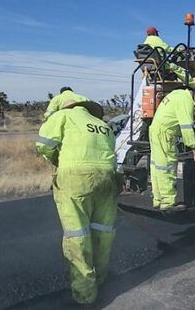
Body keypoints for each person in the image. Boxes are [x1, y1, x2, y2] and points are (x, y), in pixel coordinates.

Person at [35, 99, 118, 305]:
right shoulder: (103, 125)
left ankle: (85, 293)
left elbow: (43, 144)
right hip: (107, 177)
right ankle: (101, 279)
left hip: (75, 178)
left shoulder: (62, 116)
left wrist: (56, 159)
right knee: (103, 231)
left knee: (77, 234)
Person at [149, 87, 195, 211]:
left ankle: (158, 199)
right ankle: (167, 203)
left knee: (157, 166)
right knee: (167, 166)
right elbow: (186, 128)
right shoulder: (186, 102)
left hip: (155, 130)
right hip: (165, 135)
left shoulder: (178, 93)